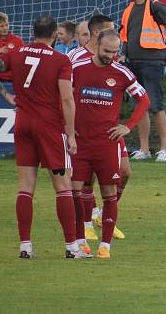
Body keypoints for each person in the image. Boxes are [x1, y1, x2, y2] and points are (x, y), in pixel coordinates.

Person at [0, 15, 87, 259]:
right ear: (53, 35)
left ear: (33, 31)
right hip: (49, 127)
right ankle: (71, 247)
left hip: (23, 124)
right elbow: (67, 99)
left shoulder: (16, 52)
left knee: (25, 188)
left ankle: (25, 246)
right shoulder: (60, 60)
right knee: (62, 187)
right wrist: (71, 135)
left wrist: (7, 96)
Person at [70, 29, 151, 259]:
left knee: (109, 194)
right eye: (107, 51)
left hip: (107, 144)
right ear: (96, 45)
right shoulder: (77, 69)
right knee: (76, 192)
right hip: (81, 143)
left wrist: (128, 126)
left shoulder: (121, 72)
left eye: (115, 52)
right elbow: (62, 96)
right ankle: (80, 240)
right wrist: (66, 127)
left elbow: (144, 99)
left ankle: (105, 246)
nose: (111, 56)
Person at [68, 14, 128, 241]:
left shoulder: (112, 62)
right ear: (98, 35)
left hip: (109, 129)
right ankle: (86, 223)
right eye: (110, 30)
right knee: (86, 179)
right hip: (85, 130)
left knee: (125, 172)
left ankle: (103, 215)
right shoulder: (76, 58)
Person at [121, 0, 166, 162]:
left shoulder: (156, 6)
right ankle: (145, 149)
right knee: (139, 107)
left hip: (153, 62)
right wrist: (124, 54)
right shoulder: (129, 9)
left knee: (155, 105)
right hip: (133, 63)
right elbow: (125, 35)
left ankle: (165, 149)